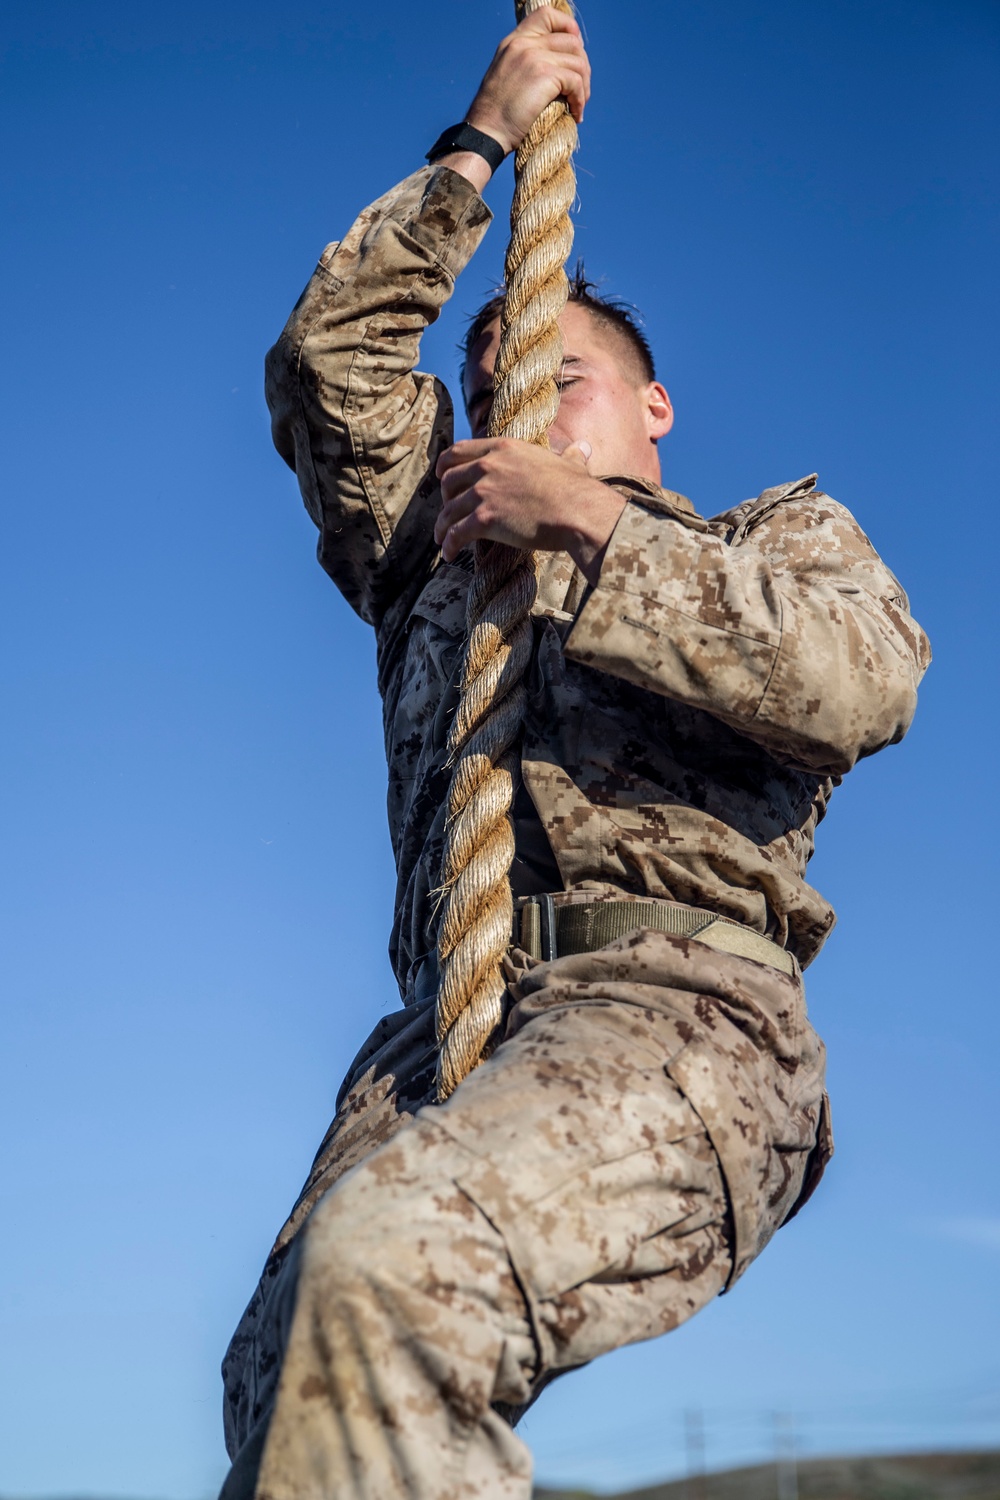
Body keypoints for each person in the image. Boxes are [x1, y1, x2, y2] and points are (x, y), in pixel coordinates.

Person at [218, 9, 930, 1498]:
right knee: (278, 1384)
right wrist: (483, 137)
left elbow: (857, 684)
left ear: (656, 410)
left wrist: (592, 527)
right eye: (486, 397)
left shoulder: (767, 541)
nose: (507, 414)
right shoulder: (434, 557)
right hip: (441, 1038)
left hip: (679, 1005)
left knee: (395, 1265)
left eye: (559, 384)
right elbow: (327, 368)